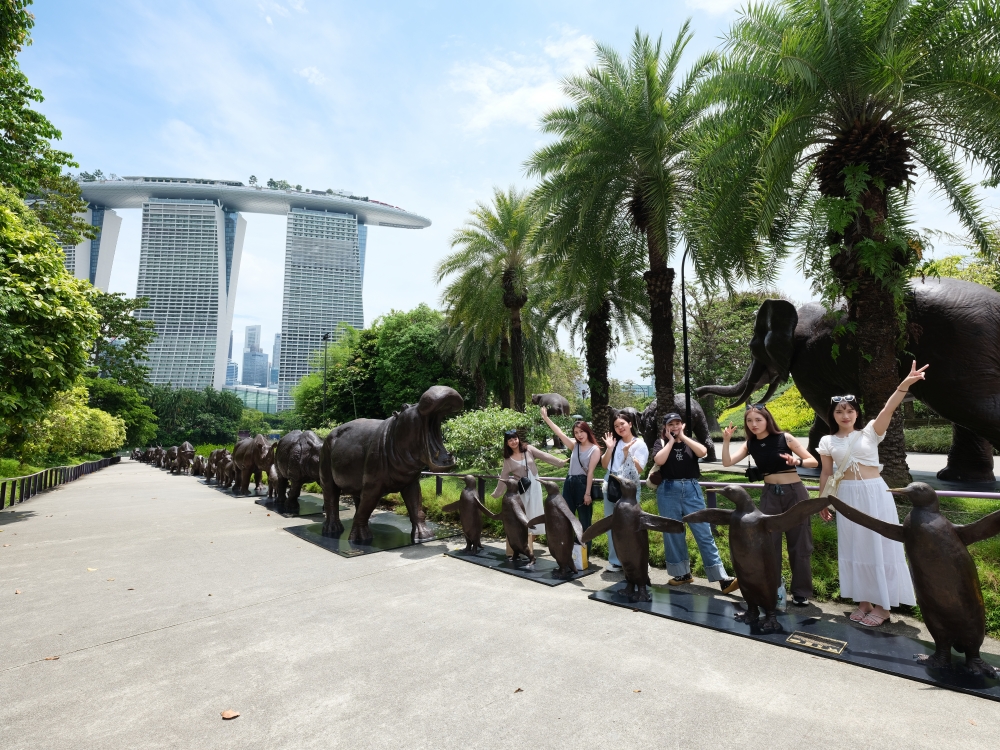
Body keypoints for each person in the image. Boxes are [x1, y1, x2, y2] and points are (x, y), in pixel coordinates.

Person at [817, 363, 926, 627]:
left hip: (876, 494)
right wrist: (822, 501)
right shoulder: (827, 441)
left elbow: (889, 407)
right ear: (833, 415)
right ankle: (863, 602)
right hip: (846, 497)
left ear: (857, 414)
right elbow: (826, 473)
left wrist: (905, 384)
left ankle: (883, 607)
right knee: (855, 546)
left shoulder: (870, 433)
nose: (845, 415)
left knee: (880, 546)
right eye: (839, 411)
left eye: (850, 410)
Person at [722, 402, 819, 606]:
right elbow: (727, 462)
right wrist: (726, 440)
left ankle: (801, 592)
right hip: (769, 496)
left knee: (800, 544)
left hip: (795, 493)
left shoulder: (785, 438)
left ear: (767, 420)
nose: (754, 424)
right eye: (750, 421)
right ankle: (773, 587)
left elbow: (813, 462)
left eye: (758, 419)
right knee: (768, 545)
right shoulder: (750, 444)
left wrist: (797, 462)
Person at [652, 413, 738, 592]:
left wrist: (682, 437)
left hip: (691, 489)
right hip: (667, 490)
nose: (674, 427)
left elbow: (703, 452)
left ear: (682, 425)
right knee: (673, 532)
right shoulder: (660, 443)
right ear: (665, 427)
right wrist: (670, 441)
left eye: (677, 423)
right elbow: (659, 460)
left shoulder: (690, 443)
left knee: (703, 532)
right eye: (671, 424)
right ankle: (682, 574)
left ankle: (722, 578)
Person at [492, 429, 567, 549]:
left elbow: (544, 456)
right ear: (506, 443)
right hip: (521, 489)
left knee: (535, 510)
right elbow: (504, 477)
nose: (513, 442)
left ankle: (530, 539)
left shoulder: (529, 449)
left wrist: (559, 462)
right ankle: (524, 540)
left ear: (518, 439)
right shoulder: (508, 460)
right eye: (510, 440)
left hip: (534, 486)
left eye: (515, 439)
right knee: (523, 512)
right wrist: (497, 493)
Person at [540, 407, 600, 550]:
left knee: (584, 521)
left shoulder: (595, 449)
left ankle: (585, 554)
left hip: (583, 484)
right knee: (566, 517)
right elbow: (559, 433)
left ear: (587, 431)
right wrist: (546, 418)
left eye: (581, 431)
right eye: (576, 433)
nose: (579, 435)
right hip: (569, 483)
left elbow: (590, 473)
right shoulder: (575, 446)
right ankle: (569, 551)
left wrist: (587, 493)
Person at [600, 411, 649, 572]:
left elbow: (640, 469)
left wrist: (628, 454)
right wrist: (609, 448)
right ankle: (616, 561)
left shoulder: (639, 444)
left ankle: (638, 559)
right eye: (616, 426)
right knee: (612, 523)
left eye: (622, 424)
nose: (620, 427)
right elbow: (605, 465)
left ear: (630, 424)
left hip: (629, 487)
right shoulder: (615, 443)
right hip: (612, 485)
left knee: (632, 525)